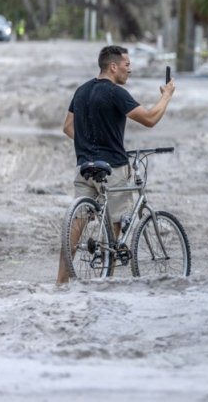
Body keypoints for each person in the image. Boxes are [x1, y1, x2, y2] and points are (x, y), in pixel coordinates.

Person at [57, 45, 175, 284]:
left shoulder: (81, 91)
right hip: (113, 167)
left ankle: (60, 281)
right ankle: (106, 278)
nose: (129, 71)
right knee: (116, 223)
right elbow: (150, 119)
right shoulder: (115, 93)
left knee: (76, 224)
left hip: (85, 167)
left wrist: (89, 144)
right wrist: (166, 95)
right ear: (113, 66)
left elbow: (68, 127)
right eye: (127, 65)